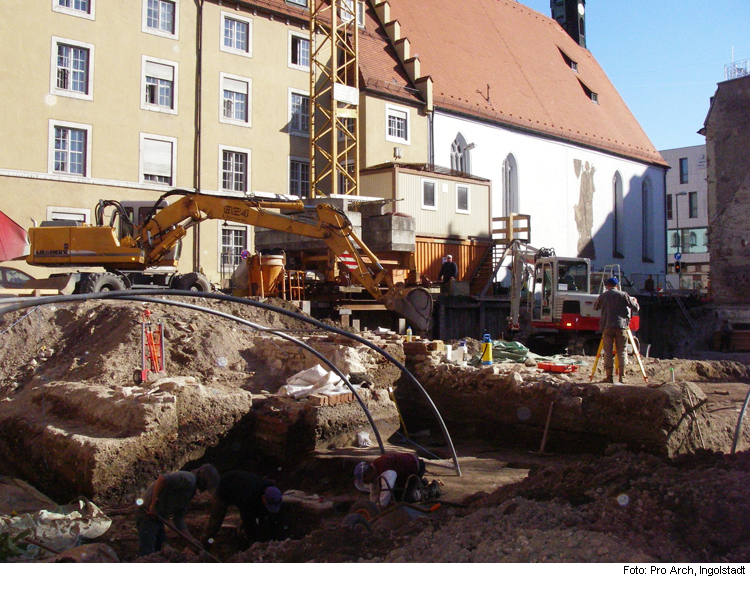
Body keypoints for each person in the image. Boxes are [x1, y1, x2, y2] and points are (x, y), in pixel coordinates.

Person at [135, 464, 220, 557]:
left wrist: (191, 540)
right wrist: (153, 505)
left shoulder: (189, 492)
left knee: (162, 551)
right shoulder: (188, 479)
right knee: (147, 552)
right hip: (147, 513)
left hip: (157, 518)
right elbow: (163, 479)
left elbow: (178, 519)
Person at [201, 470, 283, 547]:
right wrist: (254, 543)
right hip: (223, 488)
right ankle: (203, 544)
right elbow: (248, 520)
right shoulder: (249, 496)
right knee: (215, 522)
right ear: (263, 497)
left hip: (240, 487)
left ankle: (244, 534)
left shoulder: (270, 489)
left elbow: (263, 515)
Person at [593, 277, 640, 383]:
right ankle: (622, 377)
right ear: (617, 285)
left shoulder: (603, 296)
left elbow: (595, 307)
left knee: (608, 352)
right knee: (622, 351)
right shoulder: (623, 295)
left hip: (607, 326)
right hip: (621, 326)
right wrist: (635, 302)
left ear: (607, 286)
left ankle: (609, 377)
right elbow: (635, 308)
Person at [354, 452, 425, 508]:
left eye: (365, 480)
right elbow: (374, 490)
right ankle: (421, 484)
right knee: (395, 495)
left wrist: (379, 507)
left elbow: (387, 489)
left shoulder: (386, 471)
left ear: (367, 474)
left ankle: (427, 492)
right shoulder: (373, 471)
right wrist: (372, 505)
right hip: (402, 473)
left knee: (404, 499)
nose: (366, 482)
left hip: (415, 468)